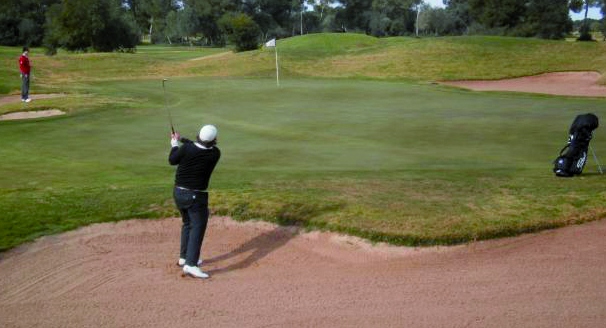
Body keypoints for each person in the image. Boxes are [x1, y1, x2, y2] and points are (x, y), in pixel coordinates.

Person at [169, 125, 221, 279]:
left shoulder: (186, 149)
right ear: (214, 140)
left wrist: (174, 143)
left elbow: (172, 160)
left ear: (198, 135)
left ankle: (184, 258)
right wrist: (181, 140)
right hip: (195, 197)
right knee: (197, 228)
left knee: (187, 224)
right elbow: (199, 146)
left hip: (178, 193)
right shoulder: (215, 154)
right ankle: (191, 265)